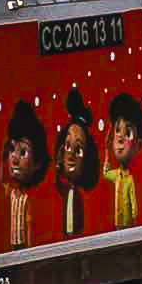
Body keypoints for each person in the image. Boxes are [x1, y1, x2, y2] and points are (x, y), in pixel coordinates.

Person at [54, 87, 100, 238]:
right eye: (68, 147)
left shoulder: (80, 196)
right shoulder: (63, 188)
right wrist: (59, 162)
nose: (72, 155)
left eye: (79, 150)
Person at [3, 101, 50, 247]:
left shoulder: (27, 198)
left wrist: (29, 251)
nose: (15, 159)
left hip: (23, 247)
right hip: (13, 244)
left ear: (37, 163)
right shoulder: (10, 193)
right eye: (12, 150)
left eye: (23, 152)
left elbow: (29, 225)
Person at [103, 95, 142, 227]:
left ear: (139, 145)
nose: (120, 138)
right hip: (118, 222)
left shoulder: (130, 179)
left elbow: (133, 201)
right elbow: (105, 173)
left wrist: (134, 216)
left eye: (127, 133)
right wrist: (106, 150)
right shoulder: (116, 175)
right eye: (117, 131)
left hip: (127, 224)